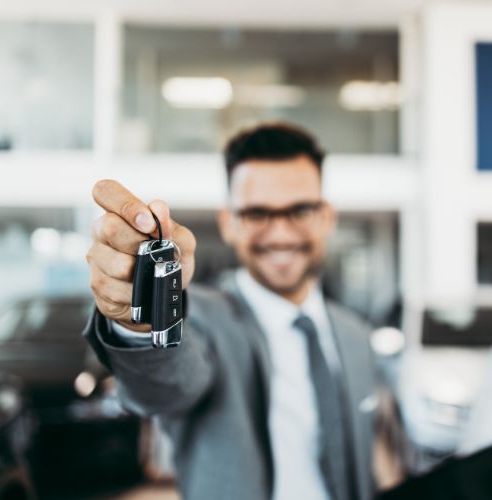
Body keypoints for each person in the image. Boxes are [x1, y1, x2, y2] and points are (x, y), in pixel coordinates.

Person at [83, 123, 386, 500]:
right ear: (229, 223)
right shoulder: (202, 319)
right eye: (258, 213)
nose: (280, 233)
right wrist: (142, 318)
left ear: (326, 217)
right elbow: (163, 388)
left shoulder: (355, 334)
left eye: (300, 210)